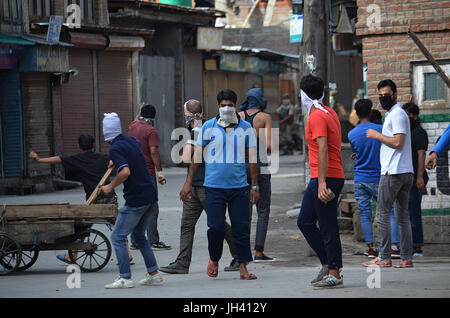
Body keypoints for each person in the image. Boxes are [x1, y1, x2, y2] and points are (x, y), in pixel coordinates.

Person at [180, 89, 260, 280]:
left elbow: (253, 160)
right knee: (216, 228)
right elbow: (197, 156)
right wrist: (188, 182)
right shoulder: (207, 126)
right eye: (223, 105)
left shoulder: (246, 128)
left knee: (241, 227)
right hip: (214, 187)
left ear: (235, 105)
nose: (226, 108)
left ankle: (243, 267)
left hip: (239, 187)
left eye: (230, 105)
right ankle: (214, 259)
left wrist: (255, 186)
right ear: (218, 106)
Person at [160, 100, 239, 274]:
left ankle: (240, 255)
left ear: (189, 115)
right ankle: (182, 263)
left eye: (185, 115)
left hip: (206, 185)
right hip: (195, 186)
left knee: (219, 224)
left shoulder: (199, 129)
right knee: (187, 224)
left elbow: (186, 159)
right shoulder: (206, 127)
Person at [29, 134, 133, 265]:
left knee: (81, 228)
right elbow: (122, 158)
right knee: (116, 226)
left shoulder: (77, 159)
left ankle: (71, 255)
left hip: (94, 201)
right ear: (93, 145)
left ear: (79, 146)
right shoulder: (104, 157)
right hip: (110, 198)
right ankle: (127, 254)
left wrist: (39, 160)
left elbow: (59, 159)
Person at [101, 112, 162, 289]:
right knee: (138, 236)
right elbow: (131, 155)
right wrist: (116, 161)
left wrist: (110, 186)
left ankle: (125, 277)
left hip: (137, 199)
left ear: (107, 136)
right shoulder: (130, 141)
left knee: (118, 236)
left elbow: (125, 172)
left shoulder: (115, 148)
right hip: (150, 195)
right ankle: (154, 274)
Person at [296, 75, 345, 289]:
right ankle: (327, 264)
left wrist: (323, 182)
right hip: (327, 175)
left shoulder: (317, 116)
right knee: (305, 221)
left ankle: (334, 272)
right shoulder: (329, 111)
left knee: (327, 225)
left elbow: (323, 148)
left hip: (325, 176)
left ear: (304, 95)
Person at [363, 79, 414, 268]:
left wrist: (376, 136)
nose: (384, 98)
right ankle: (406, 258)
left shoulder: (397, 114)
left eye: (387, 95)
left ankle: (384, 257)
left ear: (395, 94)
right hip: (403, 171)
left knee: (382, 214)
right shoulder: (394, 114)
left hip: (393, 172)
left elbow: (398, 142)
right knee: (402, 216)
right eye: (381, 95)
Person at [348, 99, 400, 259]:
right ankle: (393, 246)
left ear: (356, 113)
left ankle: (371, 248)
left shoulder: (352, 134)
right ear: (371, 112)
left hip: (360, 178)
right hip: (379, 177)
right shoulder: (381, 129)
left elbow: (359, 151)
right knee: (389, 211)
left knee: (365, 213)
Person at [238, 88, 275, 262]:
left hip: (241, 167)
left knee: (244, 211)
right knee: (263, 210)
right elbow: (269, 147)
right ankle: (259, 252)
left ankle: (243, 251)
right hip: (261, 167)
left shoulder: (239, 116)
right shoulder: (265, 117)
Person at [128, 104, 171, 251]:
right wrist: (160, 172)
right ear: (154, 117)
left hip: (133, 172)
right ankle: (153, 241)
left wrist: (139, 110)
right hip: (147, 172)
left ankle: (135, 241)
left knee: (136, 205)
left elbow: (136, 119)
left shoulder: (133, 126)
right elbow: (153, 151)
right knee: (152, 207)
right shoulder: (151, 131)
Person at [403, 103, 428, 257]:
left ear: (415, 116)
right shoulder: (408, 132)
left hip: (415, 176)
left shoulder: (418, 132)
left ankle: (416, 246)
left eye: (408, 115)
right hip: (407, 175)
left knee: (413, 212)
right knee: (407, 212)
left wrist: (419, 177)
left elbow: (421, 155)